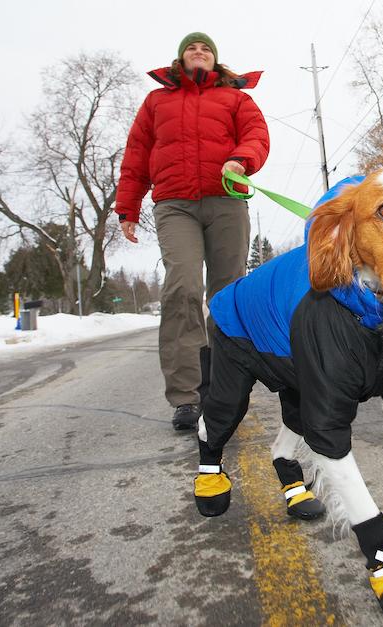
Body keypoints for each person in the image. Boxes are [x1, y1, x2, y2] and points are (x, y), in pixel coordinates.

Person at [115, 32, 270, 430]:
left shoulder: (236, 98)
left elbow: (257, 136)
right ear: (180, 59)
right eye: (191, 48)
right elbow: (136, 156)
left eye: (205, 48)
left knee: (228, 293)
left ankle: (225, 386)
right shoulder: (157, 102)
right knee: (182, 287)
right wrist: (127, 208)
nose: (198, 51)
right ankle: (186, 396)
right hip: (174, 204)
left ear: (215, 60)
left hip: (226, 200)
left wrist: (241, 159)